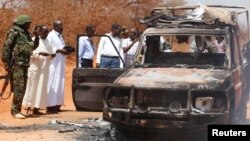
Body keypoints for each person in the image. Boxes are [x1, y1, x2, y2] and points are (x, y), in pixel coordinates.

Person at [1, 14, 36, 119]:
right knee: (19, 88)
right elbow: (6, 48)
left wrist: (37, 37)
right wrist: (6, 63)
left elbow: (32, 47)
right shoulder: (14, 32)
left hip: (25, 64)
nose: (29, 25)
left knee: (23, 88)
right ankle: (15, 111)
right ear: (23, 23)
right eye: (27, 23)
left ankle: (17, 110)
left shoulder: (26, 34)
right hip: (16, 65)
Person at [22, 25, 55, 115]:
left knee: (41, 89)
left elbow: (51, 51)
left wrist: (52, 55)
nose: (47, 33)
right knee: (32, 87)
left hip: (44, 70)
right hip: (35, 68)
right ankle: (29, 107)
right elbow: (29, 52)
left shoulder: (48, 41)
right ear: (40, 32)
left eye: (48, 32)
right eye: (45, 31)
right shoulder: (33, 40)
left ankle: (36, 108)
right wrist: (40, 53)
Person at [46, 20, 69, 113]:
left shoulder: (60, 36)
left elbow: (62, 46)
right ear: (55, 26)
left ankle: (57, 104)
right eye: (60, 26)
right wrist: (59, 50)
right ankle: (50, 105)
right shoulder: (50, 35)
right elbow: (49, 47)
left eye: (62, 26)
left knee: (60, 83)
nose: (62, 28)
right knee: (52, 82)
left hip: (61, 62)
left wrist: (67, 50)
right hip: (54, 63)